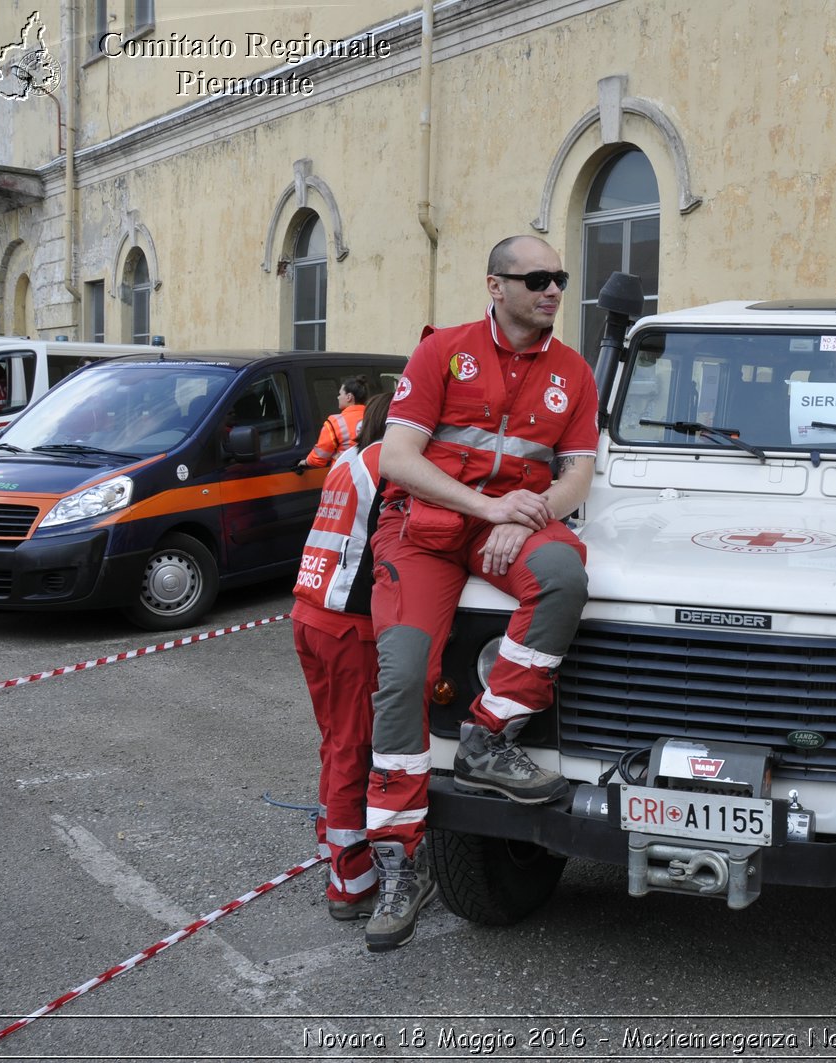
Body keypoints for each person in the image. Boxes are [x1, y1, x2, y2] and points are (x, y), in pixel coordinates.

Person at [363, 235, 597, 952]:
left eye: (558, 277)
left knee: (563, 576)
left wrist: (534, 509)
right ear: (495, 285)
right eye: (536, 278)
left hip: (511, 526)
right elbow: (398, 457)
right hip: (425, 534)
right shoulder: (443, 353)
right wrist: (486, 507)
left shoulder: (574, 372)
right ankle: (401, 862)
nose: (553, 289)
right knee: (403, 678)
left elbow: (578, 472)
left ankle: (489, 735)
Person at [291, 392, 393, 921]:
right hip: (350, 626)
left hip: (310, 615)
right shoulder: (387, 462)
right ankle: (350, 881)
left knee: (335, 740)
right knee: (355, 746)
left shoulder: (347, 460)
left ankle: (330, 841)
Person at [300, 376, 370, 468]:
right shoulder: (375, 418)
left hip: (345, 476)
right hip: (372, 474)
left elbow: (319, 458)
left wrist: (305, 462)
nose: (338, 397)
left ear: (349, 397)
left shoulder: (335, 423)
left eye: (340, 394)